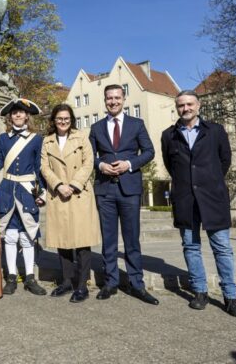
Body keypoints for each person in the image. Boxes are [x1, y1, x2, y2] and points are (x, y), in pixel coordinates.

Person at [160, 90, 236, 317]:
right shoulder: (168, 135)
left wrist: (209, 181)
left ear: (198, 106)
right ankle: (200, 291)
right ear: (176, 108)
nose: (185, 108)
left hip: (213, 199)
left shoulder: (215, 131)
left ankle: (230, 297)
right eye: (181, 105)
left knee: (223, 248)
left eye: (189, 104)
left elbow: (224, 160)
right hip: (185, 199)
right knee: (191, 247)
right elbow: (171, 166)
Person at [89, 84, 158, 305]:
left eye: (117, 98)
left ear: (124, 99)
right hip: (105, 189)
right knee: (108, 240)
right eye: (109, 98)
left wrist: (129, 163)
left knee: (132, 239)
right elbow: (88, 156)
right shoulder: (96, 127)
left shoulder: (136, 124)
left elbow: (149, 152)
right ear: (105, 100)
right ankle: (111, 282)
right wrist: (100, 165)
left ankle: (137, 284)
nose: (113, 102)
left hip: (129, 189)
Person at [40, 104, 101, 303]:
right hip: (58, 194)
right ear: (54, 121)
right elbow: (44, 167)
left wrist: (73, 184)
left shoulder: (82, 137)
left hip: (79, 193)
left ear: (71, 119)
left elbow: (88, 162)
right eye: (59, 119)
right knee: (62, 241)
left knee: (82, 242)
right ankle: (66, 281)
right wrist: (58, 185)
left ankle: (82, 285)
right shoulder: (47, 141)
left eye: (66, 118)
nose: (63, 122)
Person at [0, 98, 47, 296]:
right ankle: (11, 277)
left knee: (28, 236)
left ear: (27, 116)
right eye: (14, 113)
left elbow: (40, 167)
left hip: (28, 190)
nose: (18, 115)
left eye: (21, 112)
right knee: (10, 236)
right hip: (7, 189)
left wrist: (42, 192)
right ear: (10, 117)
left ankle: (30, 277)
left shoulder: (36, 139)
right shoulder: (3, 139)